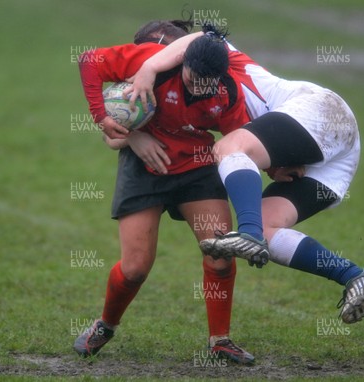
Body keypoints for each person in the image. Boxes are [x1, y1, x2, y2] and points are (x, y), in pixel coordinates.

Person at [126, 28, 364, 325]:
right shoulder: (188, 94)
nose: (150, 60)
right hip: (336, 159)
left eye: (154, 53)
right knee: (268, 229)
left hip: (318, 109)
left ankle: (248, 234)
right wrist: (132, 134)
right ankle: (355, 276)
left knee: (229, 147)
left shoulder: (213, 52)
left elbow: (204, 33)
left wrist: (149, 66)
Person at [72, 22, 255, 364]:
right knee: (135, 268)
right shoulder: (152, 62)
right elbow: (89, 61)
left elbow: (242, 143)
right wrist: (110, 122)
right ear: (182, 62)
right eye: (192, 78)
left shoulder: (228, 91)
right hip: (145, 170)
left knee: (220, 254)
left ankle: (220, 340)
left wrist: (278, 168)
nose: (199, 88)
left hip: (197, 168)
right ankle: (106, 325)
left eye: (207, 83)